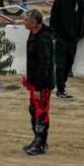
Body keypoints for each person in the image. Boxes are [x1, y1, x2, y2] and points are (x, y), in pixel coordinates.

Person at [49, 0, 84, 99]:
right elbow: (54, 19)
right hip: (61, 38)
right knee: (60, 64)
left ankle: (63, 85)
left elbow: (83, 18)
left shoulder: (80, 1)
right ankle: (60, 89)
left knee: (69, 63)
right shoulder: (60, 0)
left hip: (73, 39)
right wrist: (56, 34)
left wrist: (78, 34)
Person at [22, 9, 54, 156]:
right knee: (34, 110)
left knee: (41, 112)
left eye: (26, 20)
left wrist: (39, 87)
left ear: (34, 23)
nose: (24, 22)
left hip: (42, 84)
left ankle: (41, 143)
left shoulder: (43, 39)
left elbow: (45, 64)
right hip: (34, 81)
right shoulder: (34, 33)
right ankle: (37, 139)